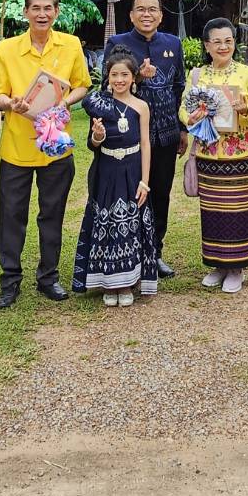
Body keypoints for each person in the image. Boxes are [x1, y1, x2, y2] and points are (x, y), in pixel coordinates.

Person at [0, 0, 92, 309]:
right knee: (11, 216)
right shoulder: (5, 49)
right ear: (25, 12)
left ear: (57, 12)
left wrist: (66, 103)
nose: (42, 14)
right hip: (17, 148)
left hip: (56, 148)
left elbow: (82, 85)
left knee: (52, 216)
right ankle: (10, 281)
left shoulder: (71, 45)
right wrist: (13, 103)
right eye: (36, 8)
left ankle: (48, 278)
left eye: (48, 8)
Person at [102, 0, 185, 277]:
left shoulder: (172, 44)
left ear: (161, 15)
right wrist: (137, 77)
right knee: (130, 194)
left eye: (153, 10)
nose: (146, 14)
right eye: (140, 9)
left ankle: (155, 251)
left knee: (160, 193)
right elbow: (106, 86)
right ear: (131, 15)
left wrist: (182, 129)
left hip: (165, 134)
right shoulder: (118, 43)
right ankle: (130, 252)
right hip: (129, 137)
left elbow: (179, 87)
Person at [180, 17, 248, 292]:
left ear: (234, 43)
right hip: (207, 152)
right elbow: (184, 107)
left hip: (239, 152)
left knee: (237, 209)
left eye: (228, 41)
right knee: (212, 209)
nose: (223, 46)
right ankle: (218, 264)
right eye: (216, 41)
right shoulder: (197, 75)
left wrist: (245, 111)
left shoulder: (247, 73)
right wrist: (190, 117)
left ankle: (237, 267)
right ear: (207, 45)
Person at [73, 50, 158, 306]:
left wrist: (145, 180)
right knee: (107, 221)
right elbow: (93, 143)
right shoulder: (99, 104)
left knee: (131, 223)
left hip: (132, 170)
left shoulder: (141, 106)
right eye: (114, 75)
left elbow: (145, 143)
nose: (119, 79)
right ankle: (108, 282)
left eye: (125, 75)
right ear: (107, 78)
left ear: (133, 78)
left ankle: (128, 282)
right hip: (106, 170)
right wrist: (98, 135)